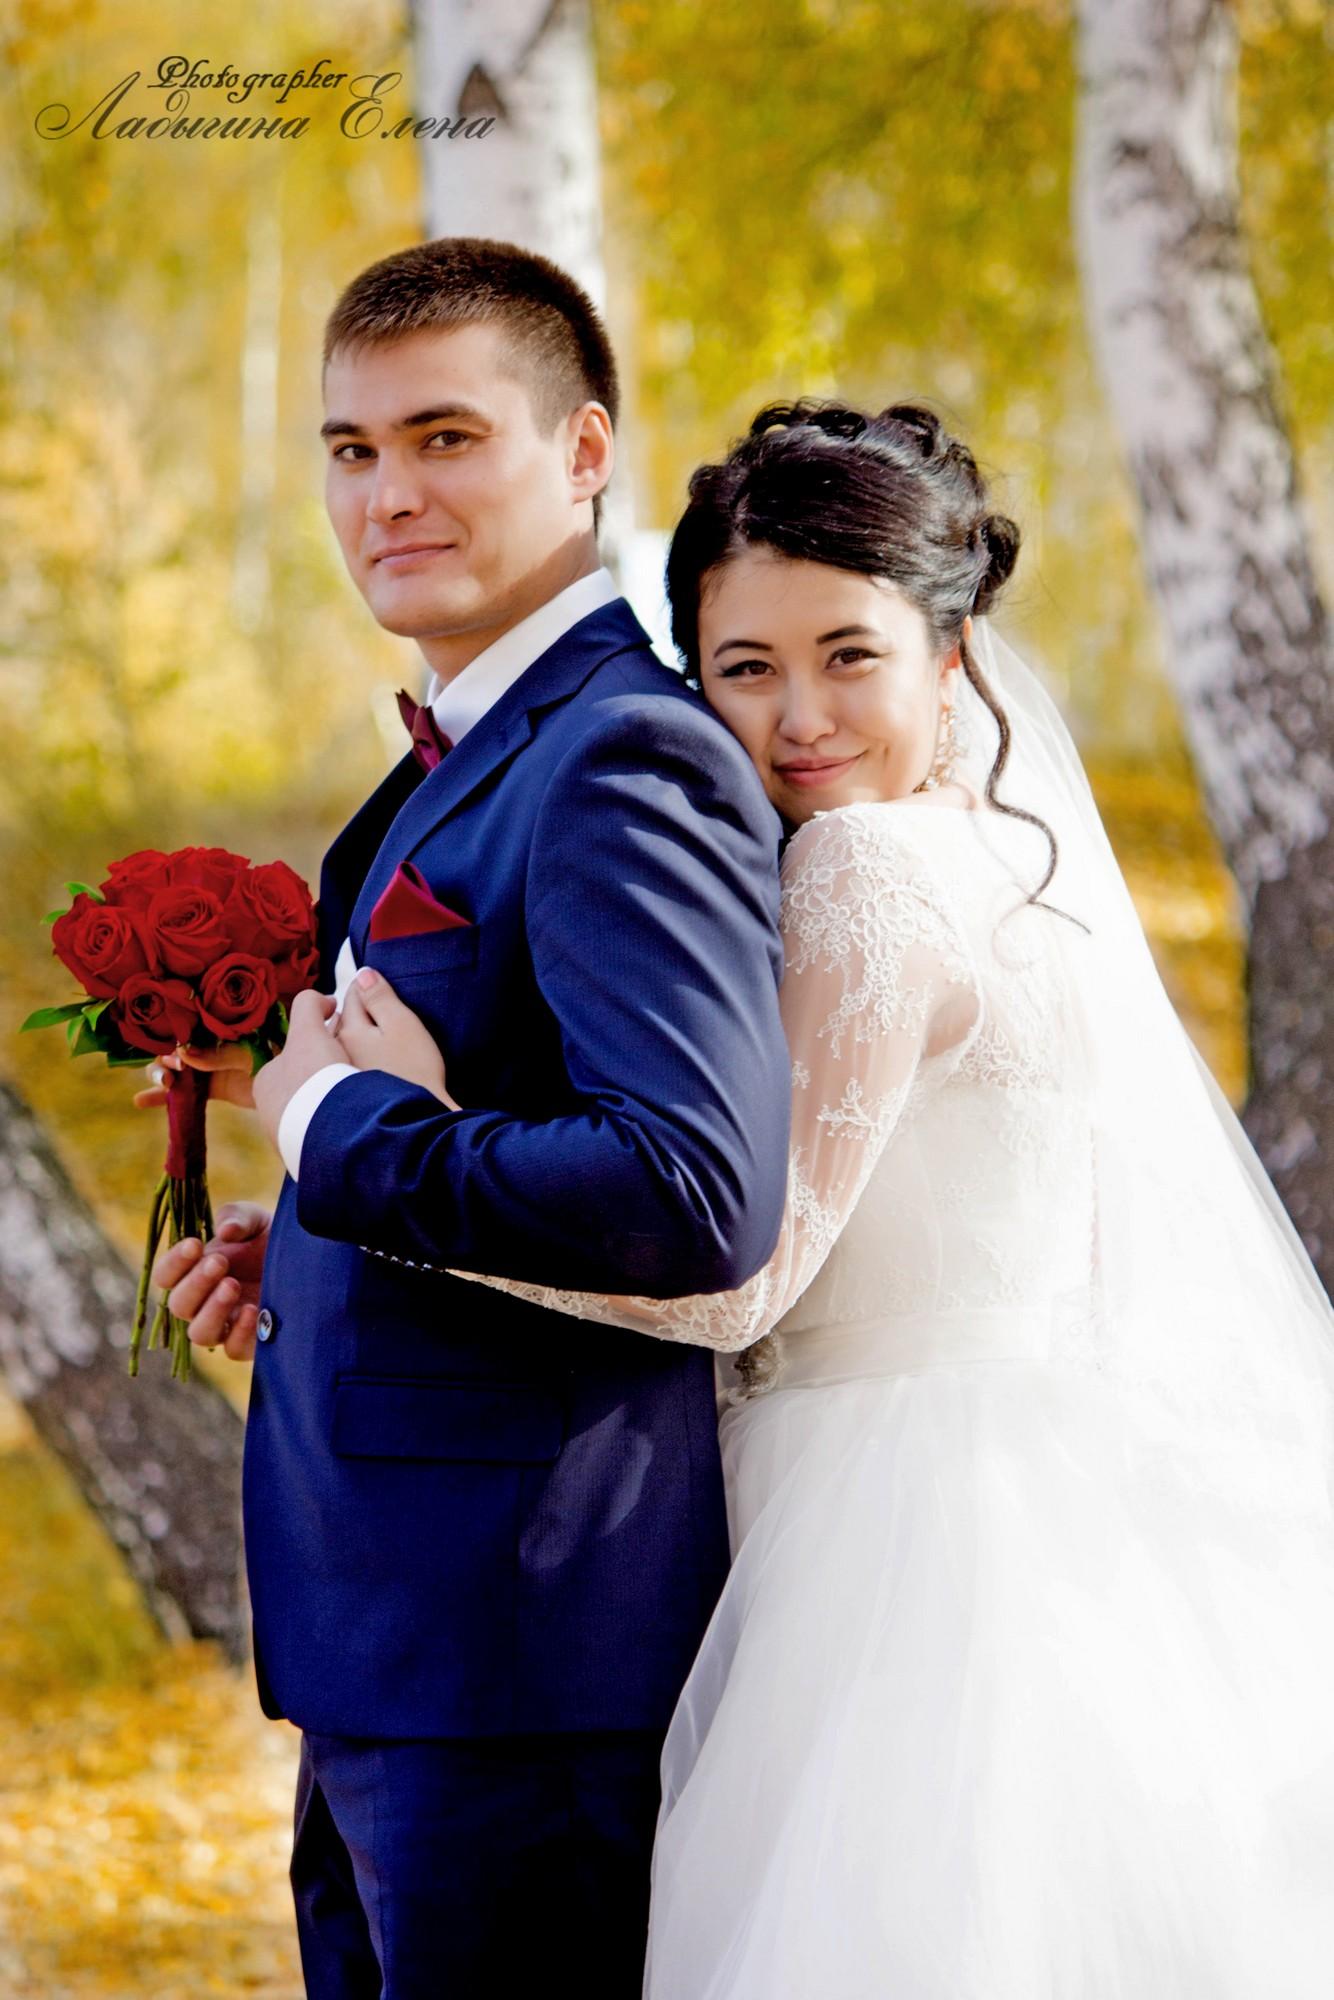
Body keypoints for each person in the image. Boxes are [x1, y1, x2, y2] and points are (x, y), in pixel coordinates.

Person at [186, 398, 1334, 1995]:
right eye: (743, 668)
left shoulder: (868, 871)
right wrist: (339, 1247)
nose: (798, 719)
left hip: (884, 1541)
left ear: (948, 650)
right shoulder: (1005, 859)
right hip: (1042, 1507)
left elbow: (735, 1272)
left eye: (847, 656)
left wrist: (368, 1148)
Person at [143, 238, 791, 2000]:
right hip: (401, 1643)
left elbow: (689, 1189)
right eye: (351, 450)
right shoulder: (465, 751)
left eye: (445, 437)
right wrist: (320, 1236)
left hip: (521, 1650)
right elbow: (497, 1131)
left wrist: (337, 1133)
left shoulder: (618, 755)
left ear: (582, 452)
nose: (388, 495)